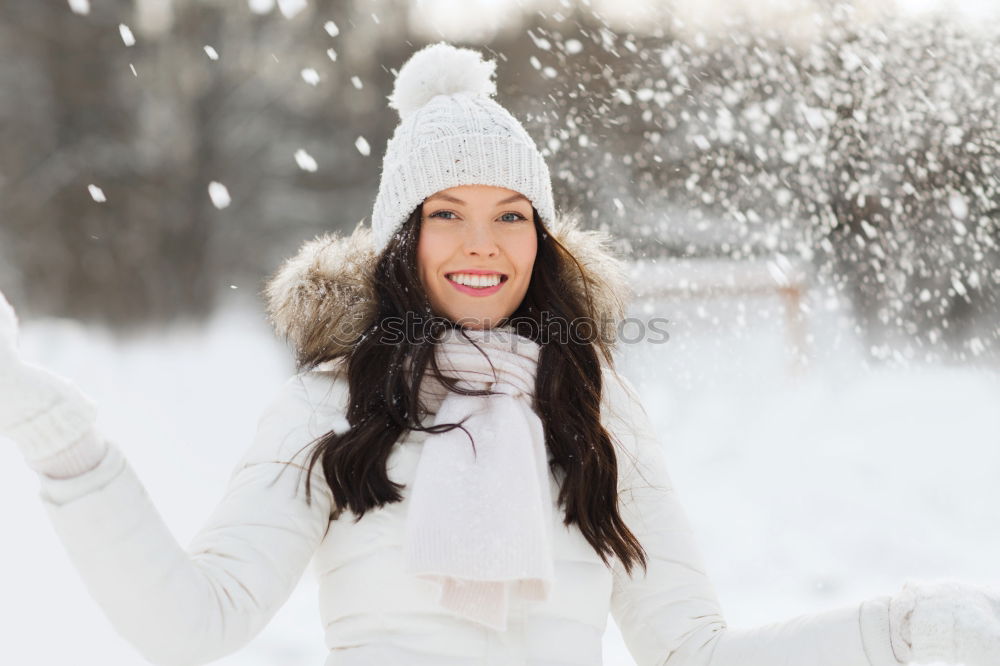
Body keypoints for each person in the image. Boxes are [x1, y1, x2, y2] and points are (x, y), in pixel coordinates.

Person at [1, 41, 998, 666]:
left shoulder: (593, 409)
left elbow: (691, 650)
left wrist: (893, 634)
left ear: (543, 240)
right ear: (402, 239)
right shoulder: (332, 406)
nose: (482, 242)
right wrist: (77, 461)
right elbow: (193, 626)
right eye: (447, 214)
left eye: (511, 216)